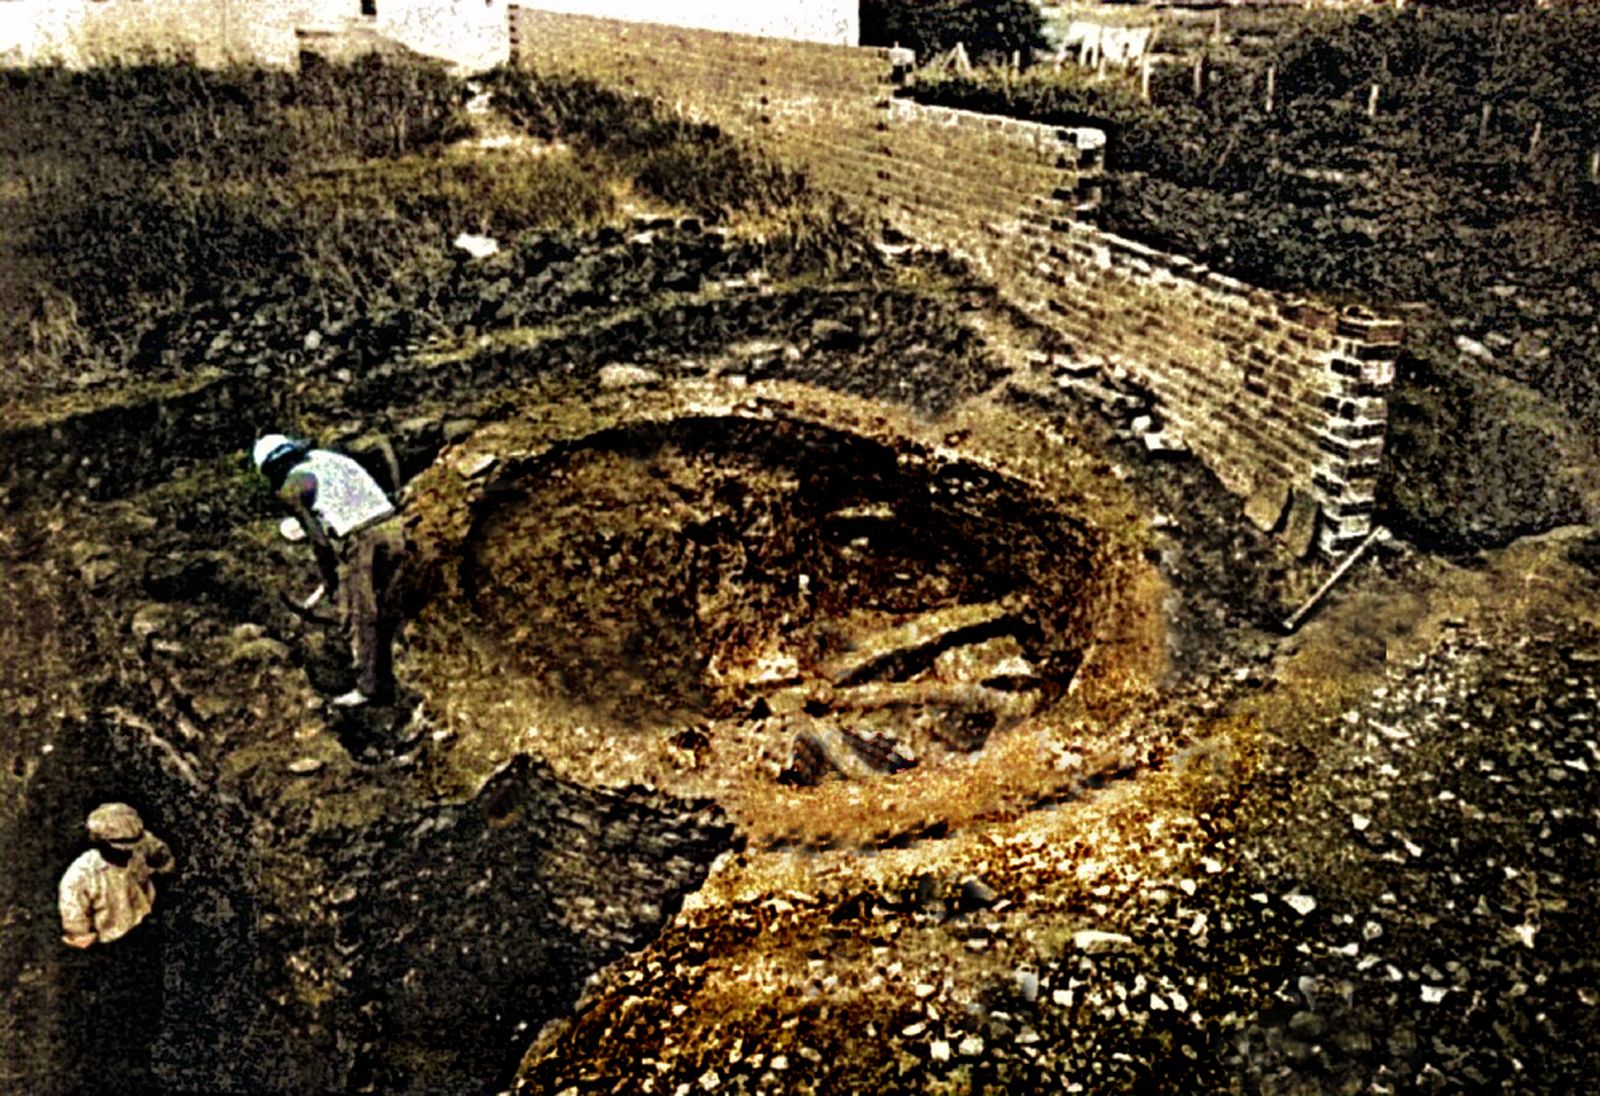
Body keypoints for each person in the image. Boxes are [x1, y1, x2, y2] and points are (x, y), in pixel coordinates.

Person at [253, 432, 406, 707]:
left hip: (364, 539)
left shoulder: (293, 485)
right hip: (395, 526)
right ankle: (395, 673)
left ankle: (369, 689)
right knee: (388, 605)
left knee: (357, 614)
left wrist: (330, 578)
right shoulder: (330, 458)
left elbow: (320, 543)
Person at [58, 802, 174, 950]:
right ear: (101, 843)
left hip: (150, 923)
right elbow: (77, 932)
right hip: (111, 944)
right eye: (120, 850)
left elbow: (164, 860)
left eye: (131, 848)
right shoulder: (79, 877)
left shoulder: (142, 843)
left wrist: (161, 877)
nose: (128, 853)